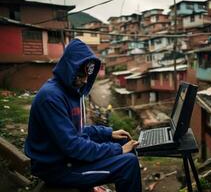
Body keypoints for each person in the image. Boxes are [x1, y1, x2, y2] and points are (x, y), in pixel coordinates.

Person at [24, 39, 141, 192]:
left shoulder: (70, 92)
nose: (85, 80)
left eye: (88, 74)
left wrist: (108, 133)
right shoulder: (51, 97)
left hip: (68, 158)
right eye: (80, 74)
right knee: (128, 163)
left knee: (124, 141)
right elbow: (72, 145)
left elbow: (77, 131)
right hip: (58, 168)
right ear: (68, 68)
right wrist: (117, 150)